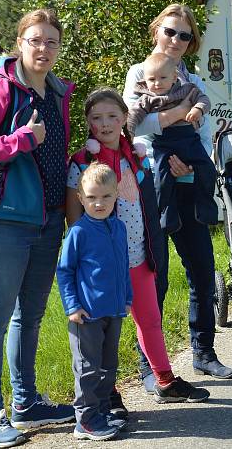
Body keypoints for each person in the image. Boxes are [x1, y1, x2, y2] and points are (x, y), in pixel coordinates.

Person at [0, 9, 75, 448]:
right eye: (35, 40)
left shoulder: (56, 93)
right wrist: (21, 141)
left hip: (46, 220)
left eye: (51, 42)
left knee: (31, 316)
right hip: (3, 221)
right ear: (19, 43)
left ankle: (26, 402)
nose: (43, 49)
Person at [67, 88, 211, 406]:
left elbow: (146, 206)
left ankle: (165, 380)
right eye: (97, 118)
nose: (105, 124)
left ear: (124, 118)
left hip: (139, 257)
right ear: (88, 123)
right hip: (103, 266)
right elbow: (74, 220)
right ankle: (107, 392)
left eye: (112, 117)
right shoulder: (81, 163)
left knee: (150, 320)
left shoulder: (135, 155)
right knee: (104, 330)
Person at [123, 4, 232, 387]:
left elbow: (203, 132)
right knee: (156, 280)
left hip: (187, 183)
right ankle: (150, 368)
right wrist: (178, 113)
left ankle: (203, 353)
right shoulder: (140, 73)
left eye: (184, 35)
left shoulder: (194, 80)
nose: (175, 40)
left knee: (203, 273)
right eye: (170, 31)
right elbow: (135, 127)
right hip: (151, 187)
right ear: (157, 30)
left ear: (191, 43)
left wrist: (192, 166)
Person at [57, 162, 132, 442]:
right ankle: (86, 421)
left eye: (105, 197)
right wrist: (72, 306)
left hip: (113, 311)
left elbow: (123, 266)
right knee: (88, 368)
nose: (98, 203)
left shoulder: (119, 228)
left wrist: (127, 298)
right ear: (80, 198)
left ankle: (101, 412)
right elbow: (65, 271)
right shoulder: (78, 232)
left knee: (108, 365)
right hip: (86, 315)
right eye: (91, 197)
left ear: (116, 196)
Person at [127, 53, 217, 233]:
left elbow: (204, 100)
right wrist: (129, 132)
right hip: (164, 144)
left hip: (189, 140)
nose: (157, 83)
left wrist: (198, 109)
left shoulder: (187, 89)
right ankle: (167, 215)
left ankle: (206, 207)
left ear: (174, 77)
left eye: (162, 78)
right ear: (145, 81)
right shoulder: (147, 98)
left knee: (207, 168)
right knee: (162, 179)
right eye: (151, 79)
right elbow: (133, 116)